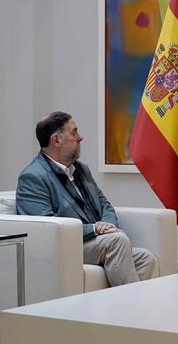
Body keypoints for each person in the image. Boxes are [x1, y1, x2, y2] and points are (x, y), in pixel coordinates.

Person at [16, 111, 158, 286]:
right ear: (57, 140)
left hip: (93, 242)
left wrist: (108, 225)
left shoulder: (81, 169)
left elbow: (104, 204)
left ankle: (115, 308)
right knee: (117, 241)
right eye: (74, 132)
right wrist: (95, 229)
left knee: (145, 258)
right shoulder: (33, 177)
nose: (80, 137)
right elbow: (46, 228)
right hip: (65, 247)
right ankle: (130, 311)